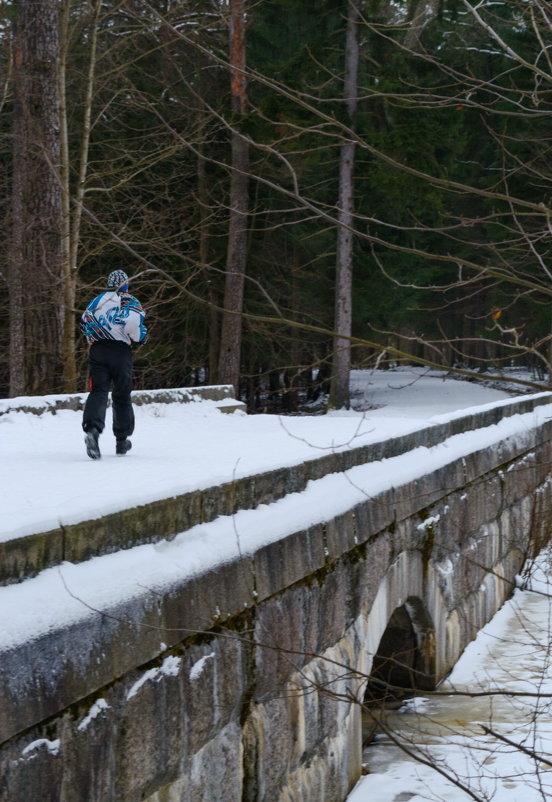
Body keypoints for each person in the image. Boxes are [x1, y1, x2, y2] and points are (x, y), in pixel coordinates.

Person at [81, 269, 147, 460]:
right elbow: (134, 324)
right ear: (125, 285)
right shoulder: (129, 300)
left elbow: (84, 321)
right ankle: (121, 439)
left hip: (98, 350)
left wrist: (91, 337)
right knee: (122, 394)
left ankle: (92, 430)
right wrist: (139, 338)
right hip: (120, 351)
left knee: (98, 391)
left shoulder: (97, 300)